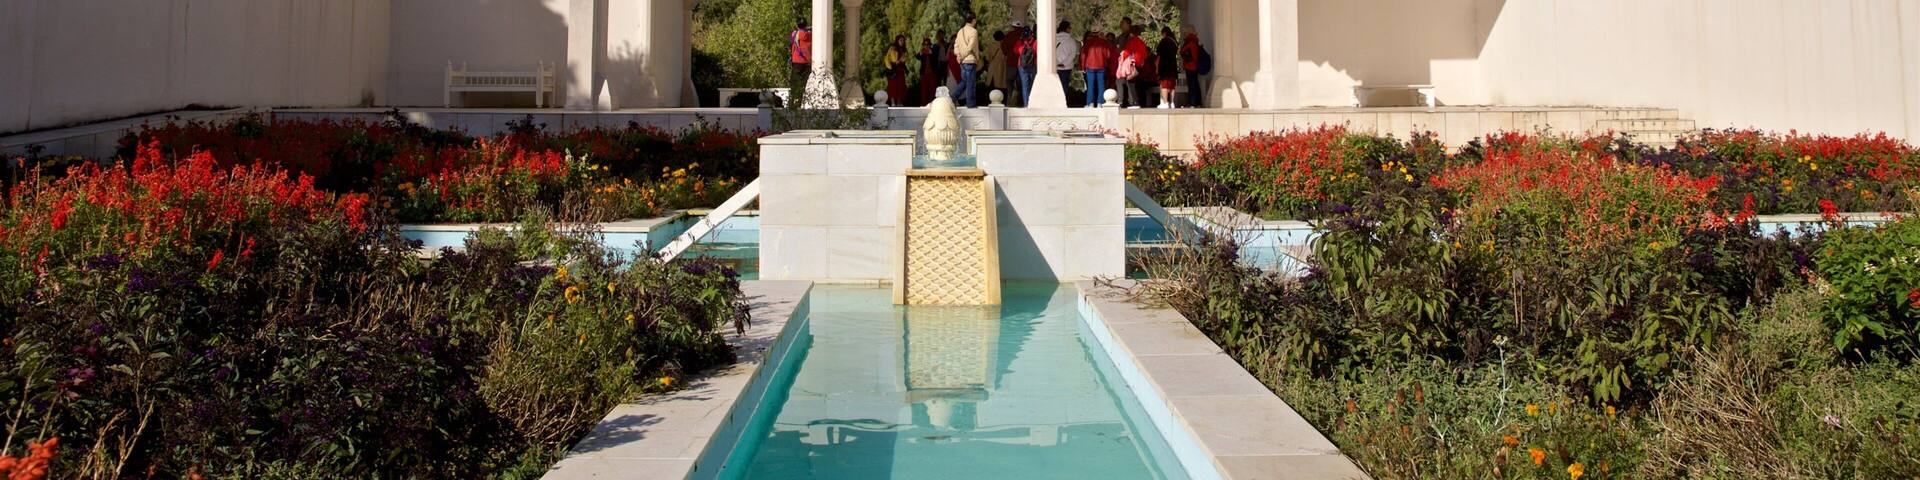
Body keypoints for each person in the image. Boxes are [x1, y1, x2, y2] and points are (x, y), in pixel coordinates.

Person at [1118, 20, 1150, 108]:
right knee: (1139, 84)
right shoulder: (1141, 42)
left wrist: (1121, 58)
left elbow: (1126, 52)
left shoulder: (1131, 41)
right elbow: (1145, 54)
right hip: (1140, 65)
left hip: (1132, 65)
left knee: (1131, 84)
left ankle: (1134, 102)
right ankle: (1140, 102)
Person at [953, 15, 980, 107]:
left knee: (965, 81)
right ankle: (971, 104)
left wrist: (958, 55)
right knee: (971, 83)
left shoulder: (960, 31)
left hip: (963, 61)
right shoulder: (974, 31)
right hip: (970, 59)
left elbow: (956, 45)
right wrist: (963, 56)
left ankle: (953, 98)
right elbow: (971, 46)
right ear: (973, 20)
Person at [1079, 29, 1110, 107]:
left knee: (1090, 85)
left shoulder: (1087, 43)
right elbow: (1108, 55)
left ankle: (1090, 103)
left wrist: (1083, 66)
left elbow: (1083, 55)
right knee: (1101, 85)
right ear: (1099, 33)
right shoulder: (1104, 42)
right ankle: (1100, 102)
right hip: (1101, 65)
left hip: (1090, 66)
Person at [1054, 21, 1080, 106]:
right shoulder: (1071, 41)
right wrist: (1064, 63)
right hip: (1066, 67)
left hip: (1054, 66)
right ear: (1067, 29)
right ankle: (1063, 102)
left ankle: (1055, 102)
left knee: (1055, 86)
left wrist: (1056, 62)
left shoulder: (1053, 38)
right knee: (1064, 85)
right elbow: (1072, 55)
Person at [1180, 25, 1206, 108]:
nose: (1183, 34)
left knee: (1192, 85)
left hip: (1191, 66)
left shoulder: (1190, 41)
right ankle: (1197, 102)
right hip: (1192, 66)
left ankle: (1192, 102)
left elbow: (1188, 52)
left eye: (1184, 32)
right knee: (1195, 84)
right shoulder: (1193, 40)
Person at [1155, 26, 1180, 108]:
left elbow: (1158, 52)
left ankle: (1165, 102)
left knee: (1164, 85)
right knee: (1172, 85)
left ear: (1164, 33)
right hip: (1173, 65)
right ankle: (1172, 102)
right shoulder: (1174, 42)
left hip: (1164, 65)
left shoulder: (1164, 41)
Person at [1015, 24, 1038, 106]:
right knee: (1033, 85)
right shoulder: (1035, 41)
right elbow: (1037, 52)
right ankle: (1033, 103)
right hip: (1032, 65)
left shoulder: (1020, 41)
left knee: (1025, 86)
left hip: (1021, 65)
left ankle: (1026, 104)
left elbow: (1015, 51)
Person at [884, 35, 910, 105]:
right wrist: (890, 68)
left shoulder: (904, 50)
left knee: (900, 86)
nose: (902, 42)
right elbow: (887, 59)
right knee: (892, 86)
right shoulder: (892, 48)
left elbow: (906, 57)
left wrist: (902, 60)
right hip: (893, 70)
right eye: (900, 40)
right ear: (897, 40)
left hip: (900, 70)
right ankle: (892, 102)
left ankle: (899, 101)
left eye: (903, 40)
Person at [788, 19, 811, 89]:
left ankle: (795, 98)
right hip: (807, 62)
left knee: (794, 83)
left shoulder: (794, 34)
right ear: (806, 25)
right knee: (805, 84)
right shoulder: (811, 35)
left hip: (797, 61)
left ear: (797, 25)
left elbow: (791, 43)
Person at [915, 38, 938, 105]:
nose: (926, 46)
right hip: (924, 74)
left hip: (932, 74)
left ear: (930, 45)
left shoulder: (933, 51)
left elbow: (936, 59)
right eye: (925, 44)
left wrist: (931, 53)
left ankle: (933, 104)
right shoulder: (922, 51)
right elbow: (917, 57)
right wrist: (921, 53)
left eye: (928, 44)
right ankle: (924, 104)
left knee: (932, 90)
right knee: (924, 90)